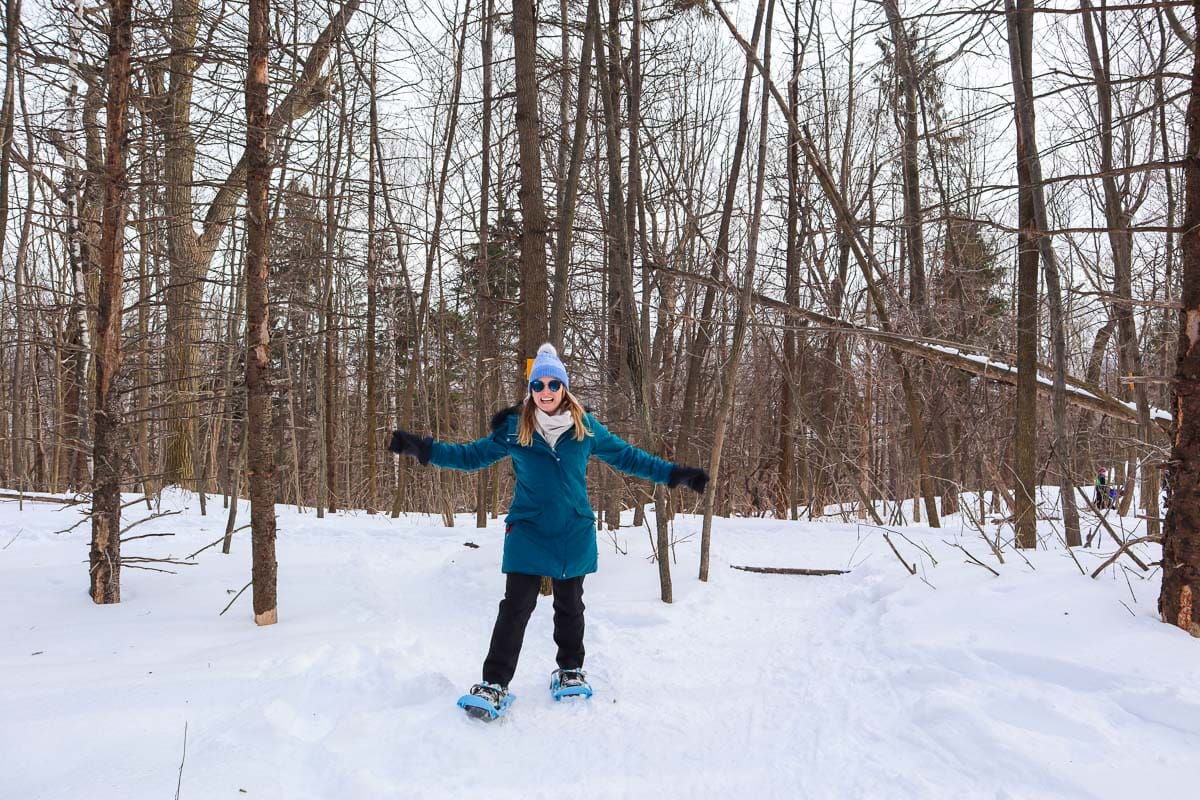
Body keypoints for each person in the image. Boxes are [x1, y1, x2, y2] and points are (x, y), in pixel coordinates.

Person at [387, 343, 709, 719]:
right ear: (530, 390)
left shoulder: (586, 429)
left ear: (564, 388)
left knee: (570, 605)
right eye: (538, 385)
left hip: (573, 528)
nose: (545, 392)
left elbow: (629, 457)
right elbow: (470, 456)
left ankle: (570, 669)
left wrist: (676, 475)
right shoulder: (515, 428)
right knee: (515, 606)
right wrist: (423, 450)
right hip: (528, 529)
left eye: (553, 384)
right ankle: (494, 684)